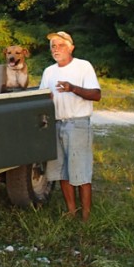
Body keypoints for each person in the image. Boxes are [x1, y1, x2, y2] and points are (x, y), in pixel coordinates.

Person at [40, 31, 101, 221]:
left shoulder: (83, 66)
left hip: (78, 124)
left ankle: (86, 217)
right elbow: (42, 97)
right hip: (56, 124)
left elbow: (96, 95)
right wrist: (45, 99)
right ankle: (71, 212)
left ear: (71, 47)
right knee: (62, 172)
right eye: (53, 46)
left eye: (60, 45)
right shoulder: (49, 71)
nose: (56, 49)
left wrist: (72, 88)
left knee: (80, 172)